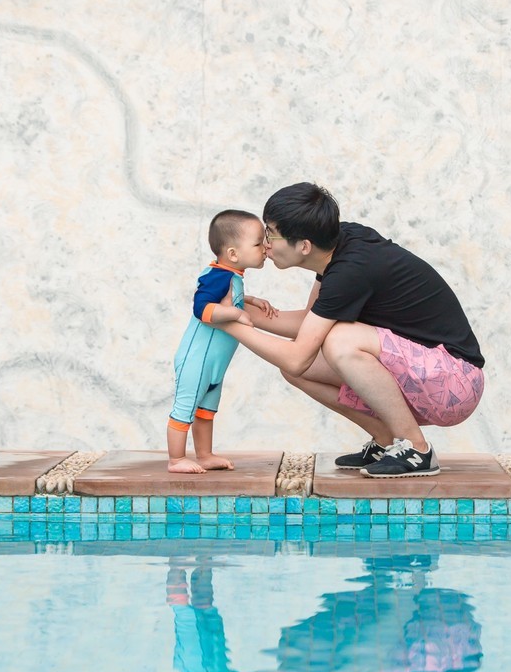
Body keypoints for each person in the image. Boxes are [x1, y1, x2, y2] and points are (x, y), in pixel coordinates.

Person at [214, 183, 484, 477]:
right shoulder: (338, 245)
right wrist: (237, 309)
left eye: (270, 233)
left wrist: (230, 324)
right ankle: (385, 439)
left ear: (304, 246)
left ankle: (417, 449)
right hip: (430, 375)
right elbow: (309, 323)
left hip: (456, 380)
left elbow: (297, 355)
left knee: (338, 341)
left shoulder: (350, 271)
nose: (264, 243)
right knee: (297, 368)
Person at [167, 209, 277, 473]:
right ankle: (176, 459)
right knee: (186, 407)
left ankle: (204, 454)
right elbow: (202, 309)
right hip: (198, 358)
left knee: (206, 410)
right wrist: (237, 313)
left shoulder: (231, 276)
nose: (265, 247)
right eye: (258, 242)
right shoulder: (219, 276)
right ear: (233, 254)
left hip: (214, 363)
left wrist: (250, 301)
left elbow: (228, 298)